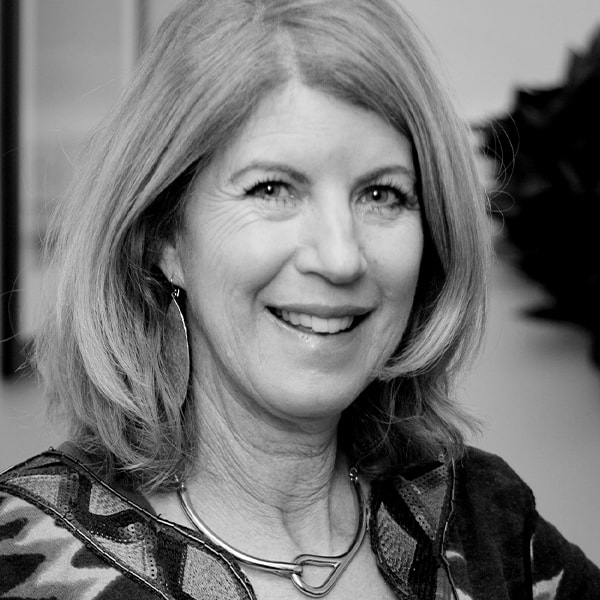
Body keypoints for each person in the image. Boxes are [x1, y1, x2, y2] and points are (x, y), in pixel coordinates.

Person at [1, 0, 599, 598]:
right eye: (272, 188)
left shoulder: (490, 524)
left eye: (382, 195)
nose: (340, 258)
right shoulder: (21, 564)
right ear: (164, 237)